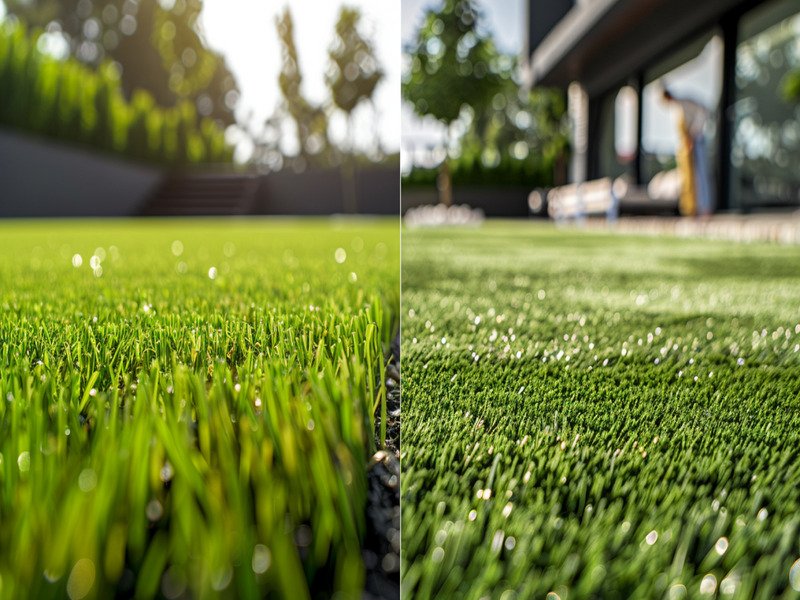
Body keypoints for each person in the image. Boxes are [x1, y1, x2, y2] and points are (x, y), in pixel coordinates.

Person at [662, 87, 713, 216]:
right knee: (691, 177)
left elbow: (703, 111)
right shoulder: (676, 109)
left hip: (697, 141)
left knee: (701, 174)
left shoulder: (684, 103)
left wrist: (694, 133)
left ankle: (705, 207)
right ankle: (693, 208)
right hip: (688, 145)